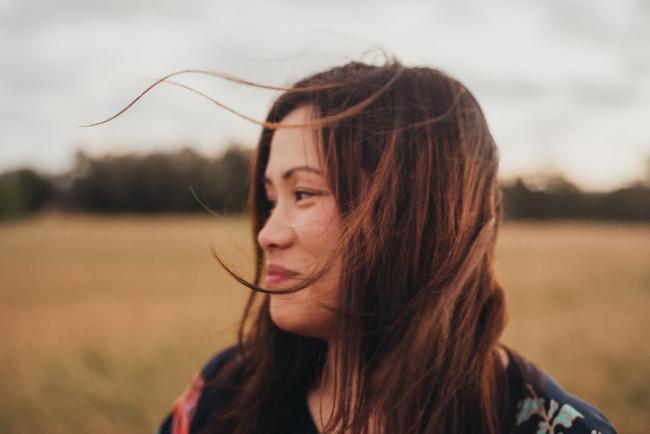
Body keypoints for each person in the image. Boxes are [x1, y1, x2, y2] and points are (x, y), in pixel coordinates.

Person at [153, 60, 618, 434]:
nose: (267, 234)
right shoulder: (228, 392)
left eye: (304, 194)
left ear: (414, 214)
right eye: (272, 199)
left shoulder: (555, 428)